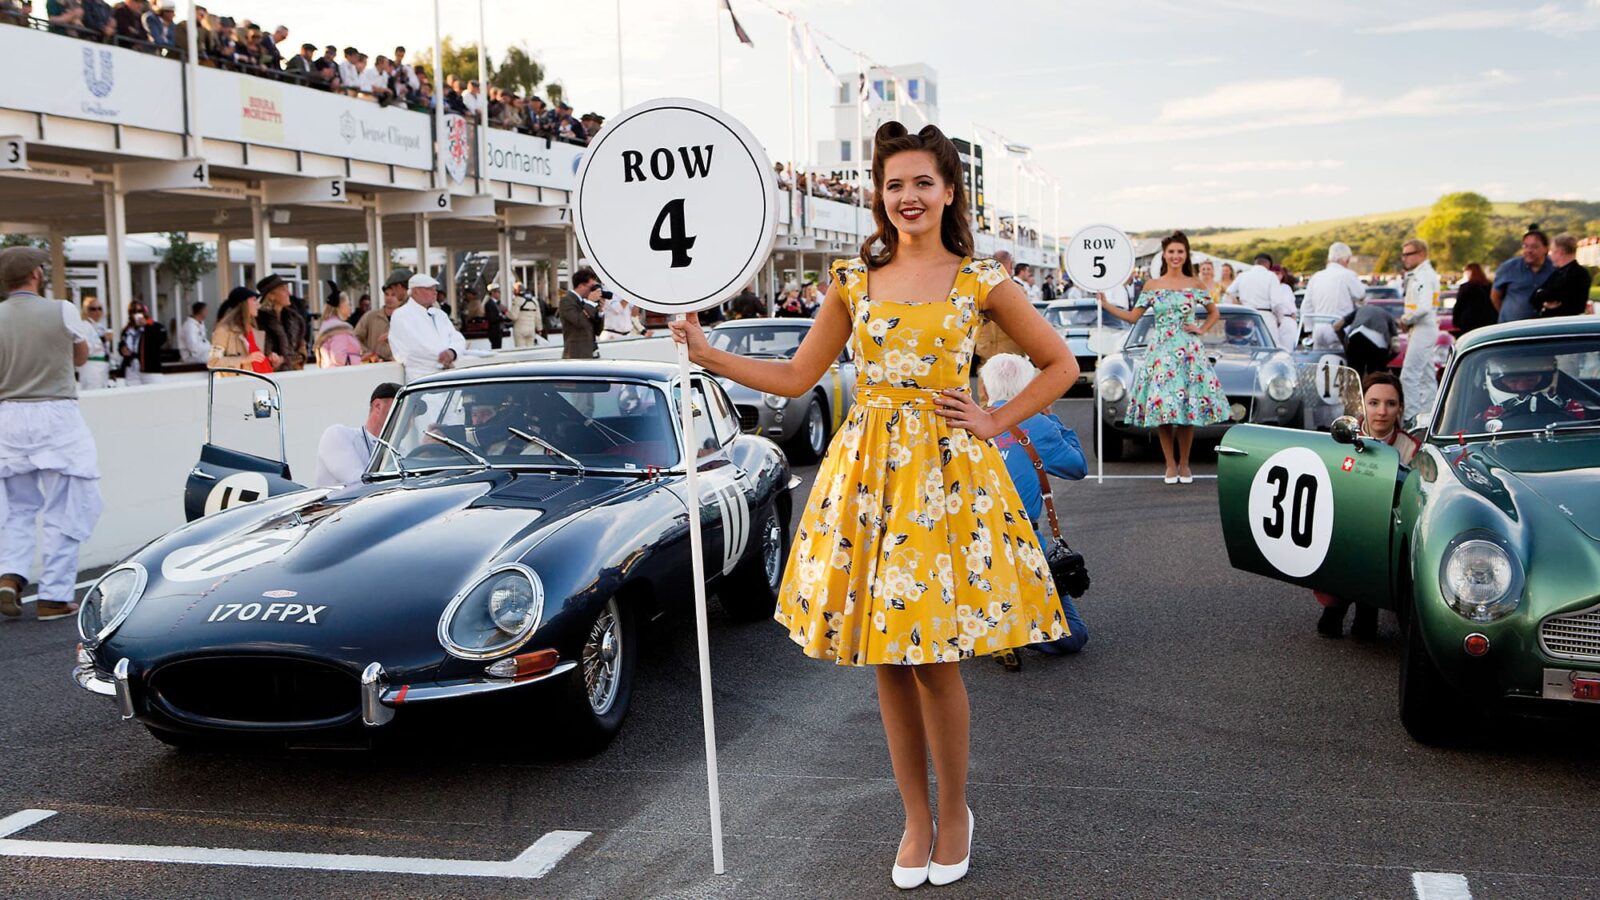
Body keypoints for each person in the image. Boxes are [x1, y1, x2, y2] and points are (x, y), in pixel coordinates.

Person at [669, 121, 1077, 890]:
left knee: (936, 657)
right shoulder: (852, 280)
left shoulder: (981, 280)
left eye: (923, 182)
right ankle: (914, 818)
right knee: (888, 655)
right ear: (878, 196)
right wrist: (708, 352)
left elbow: (1060, 364)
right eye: (895, 185)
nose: (909, 197)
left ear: (950, 191)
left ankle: (953, 811)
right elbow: (796, 377)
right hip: (868, 477)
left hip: (947, 479)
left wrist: (994, 419)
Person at [0, 246, 104, 622]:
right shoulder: (62, 309)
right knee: (67, 506)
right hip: (56, 413)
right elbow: (79, 357)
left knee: (18, 509)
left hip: (9, 416)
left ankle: (10, 575)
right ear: (37, 274)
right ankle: (54, 597)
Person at [980, 353, 1089, 665]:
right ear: (1030, 386)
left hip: (970, 544)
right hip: (1025, 544)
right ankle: (1017, 631)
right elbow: (1076, 467)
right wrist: (1052, 419)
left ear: (986, 389)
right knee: (1072, 636)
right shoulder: (1039, 424)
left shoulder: (967, 424)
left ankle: (987, 629)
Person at [1098, 232, 1228, 484]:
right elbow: (1133, 317)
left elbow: (1215, 312)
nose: (1176, 256)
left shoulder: (1196, 284)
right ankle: (1170, 465)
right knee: (1164, 412)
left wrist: (1200, 329)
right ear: (1164, 255)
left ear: (1186, 255)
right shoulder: (1151, 286)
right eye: (1171, 252)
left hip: (1189, 353)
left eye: (1180, 252)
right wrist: (1105, 304)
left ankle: (1185, 465)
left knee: (1187, 412)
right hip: (1160, 353)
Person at [1314, 372, 1417, 639]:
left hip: (1387, 531)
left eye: (1390, 404)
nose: (1382, 412)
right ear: (1362, 405)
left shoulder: (1412, 448)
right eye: (1373, 403)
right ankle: (1337, 606)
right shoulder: (1340, 440)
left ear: (1401, 408)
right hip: (1346, 524)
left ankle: (1367, 606)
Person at [313, 382, 399, 487]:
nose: (410, 420)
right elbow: (358, 483)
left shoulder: (400, 452)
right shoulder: (338, 435)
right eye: (400, 409)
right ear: (378, 406)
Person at [387, 272, 465, 379]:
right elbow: (411, 349)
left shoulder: (439, 314)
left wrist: (452, 352)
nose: (435, 293)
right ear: (415, 291)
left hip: (447, 375)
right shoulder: (401, 315)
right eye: (430, 289)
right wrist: (443, 359)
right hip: (421, 377)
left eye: (435, 289)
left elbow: (457, 338)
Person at [1398, 238, 1440, 424]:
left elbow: (1424, 307)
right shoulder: (1423, 274)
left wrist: (1406, 319)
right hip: (1425, 328)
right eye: (1403, 254)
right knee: (1426, 376)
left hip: (1422, 327)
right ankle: (1430, 416)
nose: (1404, 258)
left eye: (1409, 254)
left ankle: (1412, 420)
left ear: (1421, 254)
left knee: (1409, 375)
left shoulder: (1422, 275)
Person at [1301, 242, 1365, 344]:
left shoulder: (1316, 277)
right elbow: (1361, 296)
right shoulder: (1348, 275)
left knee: (1320, 359)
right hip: (1339, 327)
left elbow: (1306, 306)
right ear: (1346, 259)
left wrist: (1309, 329)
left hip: (1318, 329)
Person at [974, 248, 1025, 370]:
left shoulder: (977, 289)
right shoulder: (1017, 291)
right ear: (1010, 265)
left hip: (986, 357)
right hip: (1012, 358)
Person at [1491, 225, 1555, 323]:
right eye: (1525, 246)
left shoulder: (1554, 268)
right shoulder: (1509, 267)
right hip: (1512, 328)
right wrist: (1508, 314)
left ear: (1546, 249)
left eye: (1534, 247)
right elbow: (1495, 297)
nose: (1529, 250)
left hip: (1543, 328)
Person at [207, 287, 275, 373]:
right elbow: (213, 362)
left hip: (263, 381)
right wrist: (243, 360)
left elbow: (255, 361)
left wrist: (269, 360)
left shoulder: (253, 330)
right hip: (245, 383)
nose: (258, 305)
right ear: (244, 304)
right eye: (254, 300)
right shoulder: (224, 330)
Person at [1532, 233, 1593, 318]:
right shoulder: (1557, 273)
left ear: (1560, 252)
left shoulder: (1578, 274)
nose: (1549, 254)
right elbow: (1534, 297)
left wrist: (1543, 297)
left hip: (1565, 325)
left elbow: (1553, 294)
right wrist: (1544, 299)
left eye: (1552, 251)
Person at [1334, 299, 1399, 377]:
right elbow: (1396, 348)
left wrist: (1345, 343)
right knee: (1375, 376)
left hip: (1356, 338)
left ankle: (1355, 386)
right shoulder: (1389, 317)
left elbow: (1337, 326)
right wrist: (1386, 361)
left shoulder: (1361, 309)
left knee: (1354, 375)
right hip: (1378, 344)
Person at [356, 270, 408, 361]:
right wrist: (367, 353)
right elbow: (355, 337)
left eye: (393, 295)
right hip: (375, 365)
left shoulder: (407, 317)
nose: (389, 298)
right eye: (386, 294)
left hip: (398, 364)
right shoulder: (370, 316)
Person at [257, 274, 306, 370]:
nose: (289, 293)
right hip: (270, 378)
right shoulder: (258, 321)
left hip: (294, 376)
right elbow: (258, 353)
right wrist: (271, 358)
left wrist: (284, 359)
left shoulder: (295, 319)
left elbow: (302, 353)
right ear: (271, 295)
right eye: (284, 289)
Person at [559, 268, 604, 360]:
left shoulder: (586, 302)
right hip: (575, 355)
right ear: (581, 286)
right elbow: (580, 322)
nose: (594, 291)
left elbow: (597, 331)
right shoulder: (567, 301)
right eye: (592, 287)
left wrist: (600, 311)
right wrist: (590, 302)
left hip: (591, 353)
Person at [118, 300, 166, 384]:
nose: (136, 314)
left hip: (149, 367)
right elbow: (122, 344)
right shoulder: (127, 329)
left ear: (144, 312)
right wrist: (122, 349)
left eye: (139, 311)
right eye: (133, 311)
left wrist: (146, 324)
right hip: (131, 368)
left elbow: (162, 336)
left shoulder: (150, 323)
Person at [314, 294, 363, 367]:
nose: (351, 308)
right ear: (341, 306)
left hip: (329, 373)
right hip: (342, 375)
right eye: (349, 304)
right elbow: (338, 357)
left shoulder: (327, 324)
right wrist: (361, 360)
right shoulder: (339, 328)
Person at [75, 297, 112, 390]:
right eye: (93, 309)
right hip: (91, 366)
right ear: (86, 310)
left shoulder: (101, 327)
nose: (97, 312)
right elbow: (85, 348)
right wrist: (103, 339)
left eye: (100, 309)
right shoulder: (83, 326)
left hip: (103, 367)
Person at [506, 280, 544, 348]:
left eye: (514, 290)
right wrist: (539, 329)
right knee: (530, 349)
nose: (513, 291)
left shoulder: (517, 300)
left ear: (517, 290)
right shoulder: (534, 300)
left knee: (520, 350)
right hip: (531, 329)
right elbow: (538, 317)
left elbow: (514, 316)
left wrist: (506, 312)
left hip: (520, 329)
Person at [482, 282, 506, 350]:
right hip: (494, 331)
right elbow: (492, 318)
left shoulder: (497, 304)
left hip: (498, 330)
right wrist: (502, 317)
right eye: (498, 292)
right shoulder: (489, 304)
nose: (499, 294)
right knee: (496, 348)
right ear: (492, 293)